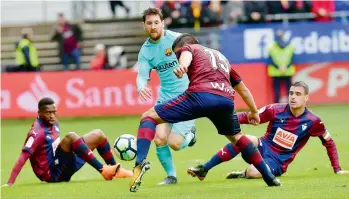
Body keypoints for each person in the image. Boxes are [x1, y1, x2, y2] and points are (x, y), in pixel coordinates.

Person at [129, 33, 281, 192]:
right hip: (225, 100)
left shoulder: (189, 47)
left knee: (148, 116)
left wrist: (183, 65)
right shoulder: (221, 57)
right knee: (238, 138)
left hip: (199, 96)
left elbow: (186, 54)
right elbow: (242, 89)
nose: (176, 57)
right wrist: (254, 111)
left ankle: (140, 163)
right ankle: (268, 176)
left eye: (176, 54)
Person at [188, 81, 349, 181]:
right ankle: (204, 169)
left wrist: (337, 169)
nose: (293, 97)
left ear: (306, 98)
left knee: (253, 173)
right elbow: (250, 116)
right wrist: (223, 118)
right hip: (263, 146)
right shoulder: (275, 109)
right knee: (245, 139)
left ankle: (243, 173)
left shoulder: (313, 121)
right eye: (291, 93)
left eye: (298, 94)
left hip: (278, 162)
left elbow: (329, 142)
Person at [2, 97, 132, 187]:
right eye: (48, 113)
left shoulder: (54, 123)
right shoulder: (37, 132)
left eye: (54, 112)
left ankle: (116, 171)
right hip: (52, 174)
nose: (52, 115)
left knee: (98, 135)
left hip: (62, 163)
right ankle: (104, 170)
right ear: (39, 113)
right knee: (71, 137)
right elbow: (24, 156)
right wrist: (10, 182)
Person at [136, 7, 197, 185]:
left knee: (175, 143)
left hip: (187, 97)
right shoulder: (145, 51)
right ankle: (171, 176)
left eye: (156, 22)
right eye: (149, 23)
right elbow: (142, 73)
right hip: (165, 97)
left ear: (163, 23)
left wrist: (185, 65)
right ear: (144, 26)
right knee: (159, 138)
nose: (153, 26)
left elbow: (193, 52)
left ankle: (190, 136)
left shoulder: (176, 39)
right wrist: (141, 86)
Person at [267, 30, 295, 103]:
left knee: (277, 91)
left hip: (275, 72)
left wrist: (278, 67)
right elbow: (292, 59)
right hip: (287, 71)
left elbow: (271, 59)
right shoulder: (290, 46)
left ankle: (276, 108)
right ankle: (291, 105)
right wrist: (286, 67)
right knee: (289, 91)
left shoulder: (271, 47)